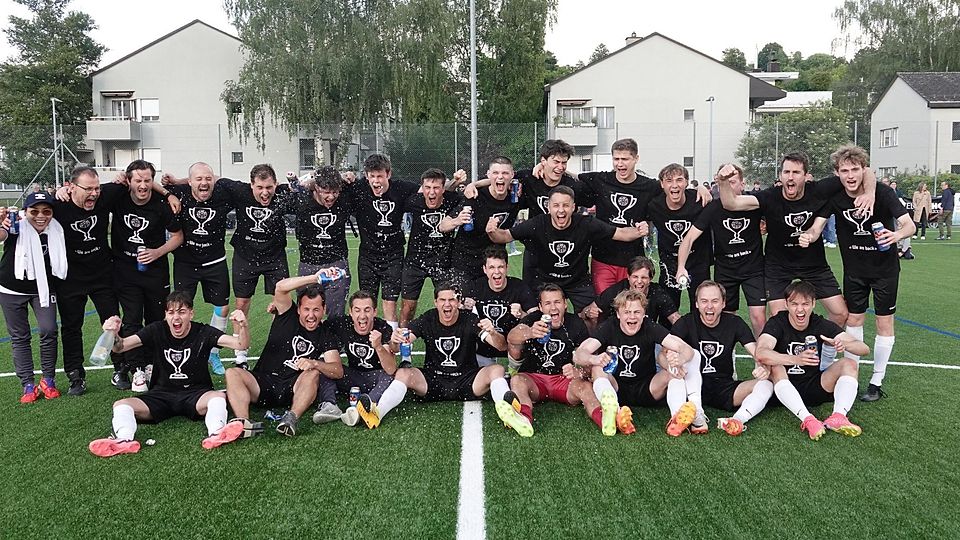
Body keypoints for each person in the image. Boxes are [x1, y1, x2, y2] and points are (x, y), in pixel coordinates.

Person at [716, 153, 875, 365]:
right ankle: (785, 366)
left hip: (814, 265)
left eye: (796, 172)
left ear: (806, 176)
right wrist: (723, 181)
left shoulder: (818, 189)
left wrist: (870, 193)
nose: (790, 177)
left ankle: (825, 359)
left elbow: (866, 171)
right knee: (780, 319)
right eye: (786, 172)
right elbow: (731, 203)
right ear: (780, 175)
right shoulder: (770, 196)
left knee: (840, 313)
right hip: (778, 266)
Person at [800, 145, 915, 398]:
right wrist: (809, 235)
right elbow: (818, 226)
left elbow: (910, 225)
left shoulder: (883, 193)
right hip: (854, 272)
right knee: (853, 321)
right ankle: (850, 375)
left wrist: (896, 235)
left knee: (884, 322)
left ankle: (876, 381)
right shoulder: (835, 196)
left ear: (864, 170)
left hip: (885, 271)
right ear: (837, 173)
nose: (850, 175)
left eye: (855, 169)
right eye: (844, 171)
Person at [88, 292, 251, 457]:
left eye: (182, 312)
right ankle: (124, 440)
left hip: (196, 394)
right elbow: (121, 347)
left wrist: (243, 326)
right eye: (171, 312)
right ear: (166, 315)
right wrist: (113, 334)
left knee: (217, 398)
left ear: (191, 314)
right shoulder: (157, 329)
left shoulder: (203, 331)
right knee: (121, 405)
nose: (176, 317)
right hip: (161, 395)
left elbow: (241, 345)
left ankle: (216, 433)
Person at [486, 185, 645, 314]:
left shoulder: (586, 223)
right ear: (549, 207)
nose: (561, 210)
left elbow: (620, 233)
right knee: (537, 317)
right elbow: (505, 236)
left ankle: (588, 344)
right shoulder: (537, 224)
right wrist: (492, 231)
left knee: (594, 314)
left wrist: (639, 230)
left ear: (573, 207)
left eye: (566, 205)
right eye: (556, 205)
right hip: (546, 280)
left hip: (578, 282)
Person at [223, 272, 343, 439]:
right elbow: (280, 287)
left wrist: (314, 363)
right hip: (263, 383)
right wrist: (315, 278)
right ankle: (244, 423)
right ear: (298, 309)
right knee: (232, 373)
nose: (311, 315)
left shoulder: (325, 334)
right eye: (306, 309)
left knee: (314, 373)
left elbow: (337, 370)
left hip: (292, 390)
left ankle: (291, 418)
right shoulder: (287, 313)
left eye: (316, 310)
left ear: (324, 310)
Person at [573, 289, 702, 437]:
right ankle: (615, 412)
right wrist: (593, 359)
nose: (632, 316)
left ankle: (676, 418)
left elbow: (685, 348)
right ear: (618, 314)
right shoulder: (609, 326)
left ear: (644, 313)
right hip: (616, 387)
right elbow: (579, 354)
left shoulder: (650, 326)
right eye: (627, 312)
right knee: (597, 368)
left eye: (637, 312)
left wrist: (680, 360)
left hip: (648, 387)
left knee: (674, 372)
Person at [755, 281, 870, 440]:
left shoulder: (820, 324)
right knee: (775, 366)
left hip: (814, 385)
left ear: (813, 304)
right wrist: (796, 359)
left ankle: (838, 417)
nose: (800, 309)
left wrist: (844, 344)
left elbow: (864, 349)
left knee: (849, 363)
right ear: (786, 304)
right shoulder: (777, 322)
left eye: (805, 304)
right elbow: (761, 352)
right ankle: (808, 419)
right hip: (782, 388)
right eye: (794, 304)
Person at [465, 140, 584, 288]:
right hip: (535, 250)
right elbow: (502, 178)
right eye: (556, 162)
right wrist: (474, 184)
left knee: (563, 295)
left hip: (564, 247)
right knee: (530, 295)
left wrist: (563, 171)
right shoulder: (529, 178)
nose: (560, 167)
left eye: (564, 163)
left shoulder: (572, 186)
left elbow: (587, 184)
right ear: (543, 161)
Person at [503, 284, 617, 437]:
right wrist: (530, 332)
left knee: (586, 388)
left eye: (557, 302)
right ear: (540, 307)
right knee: (517, 380)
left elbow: (588, 361)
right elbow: (511, 337)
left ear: (565, 304)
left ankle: (604, 419)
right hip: (535, 380)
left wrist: (579, 372)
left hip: (564, 381)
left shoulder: (576, 323)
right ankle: (523, 419)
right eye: (547, 303)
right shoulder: (533, 319)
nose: (553, 308)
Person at [109, 160, 184, 391]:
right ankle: (137, 370)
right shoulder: (118, 198)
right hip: (125, 270)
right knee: (132, 319)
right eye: (138, 180)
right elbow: (92, 194)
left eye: (147, 180)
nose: (142, 185)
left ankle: (152, 364)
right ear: (128, 181)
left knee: (155, 319)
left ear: (153, 181)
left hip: (155, 272)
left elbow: (178, 236)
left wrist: (157, 252)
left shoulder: (161, 205)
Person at [53, 166, 128, 395]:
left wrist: (168, 194)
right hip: (71, 279)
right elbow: (33, 207)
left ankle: (120, 369)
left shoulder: (105, 195)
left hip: (102, 275)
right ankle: (75, 375)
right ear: (71, 187)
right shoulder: (58, 205)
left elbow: (136, 179)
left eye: (96, 188)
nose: (94, 194)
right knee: (71, 328)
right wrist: (55, 192)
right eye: (88, 189)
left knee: (113, 323)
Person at [388, 284, 515, 417]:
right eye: (442, 300)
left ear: (459, 302)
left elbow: (501, 346)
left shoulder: (470, 319)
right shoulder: (427, 319)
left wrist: (493, 333)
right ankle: (378, 412)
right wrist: (395, 341)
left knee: (497, 369)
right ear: (436, 302)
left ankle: (509, 412)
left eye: (452, 300)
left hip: (468, 381)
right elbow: (397, 347)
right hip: (432, 382)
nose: (447, 304)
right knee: (402, 373)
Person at [669, 281, 772, 435]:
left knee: (766, 385)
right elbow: (667, 350)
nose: (709, 306)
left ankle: (736, 420)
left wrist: (763, 366)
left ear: (723, 303)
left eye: (715, 301)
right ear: (696, 304)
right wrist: (672, 359)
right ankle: (686, 415)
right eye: (704, 301)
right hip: (690, 386)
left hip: (723, 387)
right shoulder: (686, 322)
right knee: (679, 368)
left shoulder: (735, 323)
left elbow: (756, 352)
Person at [217, 164, 294, 368]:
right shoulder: (240, 190)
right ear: (251, 185)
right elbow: (212, 178)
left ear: (276, 184)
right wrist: (177, 182)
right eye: (259, 187)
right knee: (241, 304)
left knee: (282, 304)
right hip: (245, 256)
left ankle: (279, 351)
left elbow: (310, 186)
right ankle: (240, 355)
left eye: (269, 187)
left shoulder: (284, 193)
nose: (265, 192)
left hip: (275, 256)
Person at [677, 164, 766, 336]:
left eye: (733, 182)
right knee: (725, 317)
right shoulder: (714, 208)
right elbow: (689, 239)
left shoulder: (754, 204)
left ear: (742, 184)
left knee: (758, 316)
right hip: (726, 270)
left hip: (753, 268)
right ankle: (726, 352)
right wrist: (681, 266)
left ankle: (763, 352)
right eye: (725, 183)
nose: (729, 187)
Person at [167, 162, 236, 374]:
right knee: (180, 308)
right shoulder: (179, 192)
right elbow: (152, 186)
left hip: (215, 261)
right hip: (185, 263)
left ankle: (213, 353)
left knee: (222, 308)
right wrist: (169, 192)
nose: (204, 183)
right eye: (198, 179)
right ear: (189, 182)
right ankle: (182, 351)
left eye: (208, 178)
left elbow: (227, 181)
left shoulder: (223, 194)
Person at [0, 192, 67, 402]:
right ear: (25, 211)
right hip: (11, 289)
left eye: (46, 211)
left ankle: (48, 379)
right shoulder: (15, 226)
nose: (40, 216)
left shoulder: (57, 229)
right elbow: (1, 235)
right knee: (20, 337)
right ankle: (28, 384)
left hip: (44, 289)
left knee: (49, 329)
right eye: (34, 211)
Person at [576, 138, 661, 294]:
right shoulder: (601, 180)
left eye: (625, 159)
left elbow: (674, 190)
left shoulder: (650, 186)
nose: (620, 164)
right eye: (616, 159)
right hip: (603, 259)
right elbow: (572, 179)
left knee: (633, 305)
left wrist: (700, 190)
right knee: (604, 304)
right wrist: (545, 167)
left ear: (636, 158)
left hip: (633, 262)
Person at [346, 154, 419, 328]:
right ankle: (367, 339)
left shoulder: (401, 188)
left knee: (390, 301)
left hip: (393, 254)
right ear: (366, 175)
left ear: (388, 174)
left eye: (380, 176)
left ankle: (390, 340)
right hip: (367, 255)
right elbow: (328, 187)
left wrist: (455, 183)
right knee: (366, 302)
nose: (376, 181)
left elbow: (431, 189)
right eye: (372, 176)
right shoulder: (358, 188)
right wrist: (344, 177)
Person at [325, 290, 407, 429]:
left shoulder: (382, 327)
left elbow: (390, 369)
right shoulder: (341, 324)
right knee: (323, 367)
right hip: (352, 376)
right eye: (357, 310)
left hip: (376, 378)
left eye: (367, 310)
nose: (362, 316)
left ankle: (363, 407)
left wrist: (378, 346)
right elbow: (318, 325)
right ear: (351, 312)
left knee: (392, 376)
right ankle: (329, 405)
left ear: (374, 312)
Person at [399, 168, 462, 326]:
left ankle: (448, 334)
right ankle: (402, 337)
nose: (431, 192)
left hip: (442, 262)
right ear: (422, 188)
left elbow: (472, 198)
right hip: (415, 262)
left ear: (443, 189)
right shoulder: (414, 201)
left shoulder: (453, 199)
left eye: (436, 188)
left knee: (448, 304)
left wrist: (460, 183)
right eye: (427, 188)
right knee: (407, 308)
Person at [443, 157, 521, 285]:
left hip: (494, 262)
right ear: (488, 174)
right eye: (495, 173)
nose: (500, 177)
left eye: (505, 173)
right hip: (465, 261)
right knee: (464, 297)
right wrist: (457, 220)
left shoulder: (516, 196)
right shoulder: (474, 196)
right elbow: (443, 225)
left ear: (512, 175)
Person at [646, 163, 712, 311]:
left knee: (700, 307)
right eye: (669, 180)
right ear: (662, 184)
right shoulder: (654, 206)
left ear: (687, 182)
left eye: (679, 180)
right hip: (669, 262)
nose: (674, 185)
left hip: (698, 261)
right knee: (667, 309)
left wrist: (702, 188)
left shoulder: (699, 200)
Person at [290, 166, 354, 316]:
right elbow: (276, 195)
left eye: (335, 192)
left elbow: (362, 186)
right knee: (307, 316)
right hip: (308, 264)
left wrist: (350, 177)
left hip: (336, 263)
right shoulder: (302, 199)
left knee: (335, 317)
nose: (331, 197)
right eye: (326, 192)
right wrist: (298, 183)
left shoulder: (345, 197)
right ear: (317, 188)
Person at [461, 246, 537, 368]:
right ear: (485, 269)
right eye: (492, 267)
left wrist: (522, 314)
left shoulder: (519, 287)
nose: (497, 272)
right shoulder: (475, 287)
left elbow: (537, 316)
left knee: (523, 337)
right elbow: (456, 313)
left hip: (513, 343)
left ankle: (515, 369)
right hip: (484, 343)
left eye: (500, 267)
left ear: (507, 267)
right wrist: (464, 306)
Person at [587, 256, 679, 330]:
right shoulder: (617, 290)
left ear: (650, 279)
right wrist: (589, 313)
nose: (639, 281)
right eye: (635, 277)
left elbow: (675, 318)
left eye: (644, 277)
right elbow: (589, 310)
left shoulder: (657, 292)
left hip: (647, 338)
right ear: (628, 277)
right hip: (617, 338)